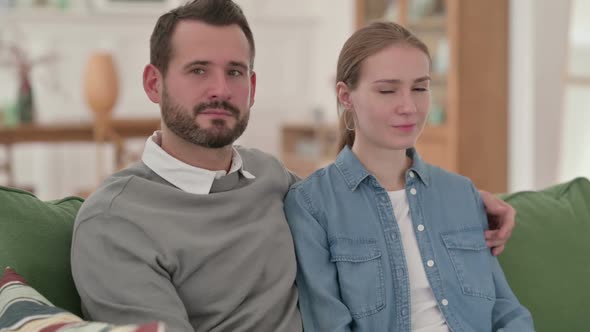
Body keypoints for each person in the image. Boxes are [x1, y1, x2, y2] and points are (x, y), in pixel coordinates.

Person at [71, 1, 517, 331]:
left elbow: (358, 199)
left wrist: (459, 201)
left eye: (235, 72)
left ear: (253, 86)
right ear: (154, 83)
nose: (220, 90)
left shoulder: (272, 179)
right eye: (198, 70)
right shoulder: (114, 223)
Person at [283, 22, 534, 332]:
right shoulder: (311, 204)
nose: (409, 107)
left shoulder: (461, 194)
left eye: (419, 88)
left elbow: (507, 312)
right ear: (346, 96)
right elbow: (328, 324)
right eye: (388, 90)